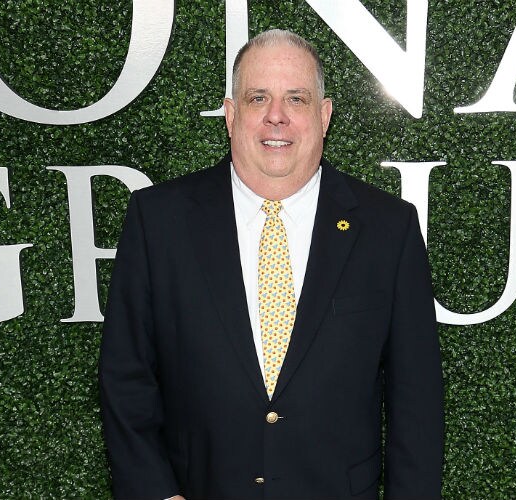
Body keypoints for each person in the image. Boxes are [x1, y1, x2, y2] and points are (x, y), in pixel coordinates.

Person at [99, 29, 444, 500]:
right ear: (231, 113)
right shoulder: (158, 222)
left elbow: (417, 404)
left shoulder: (389, 230)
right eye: (258, 97)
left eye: (296, 99)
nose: (276, 117)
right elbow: (126, 377)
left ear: (323, 117)